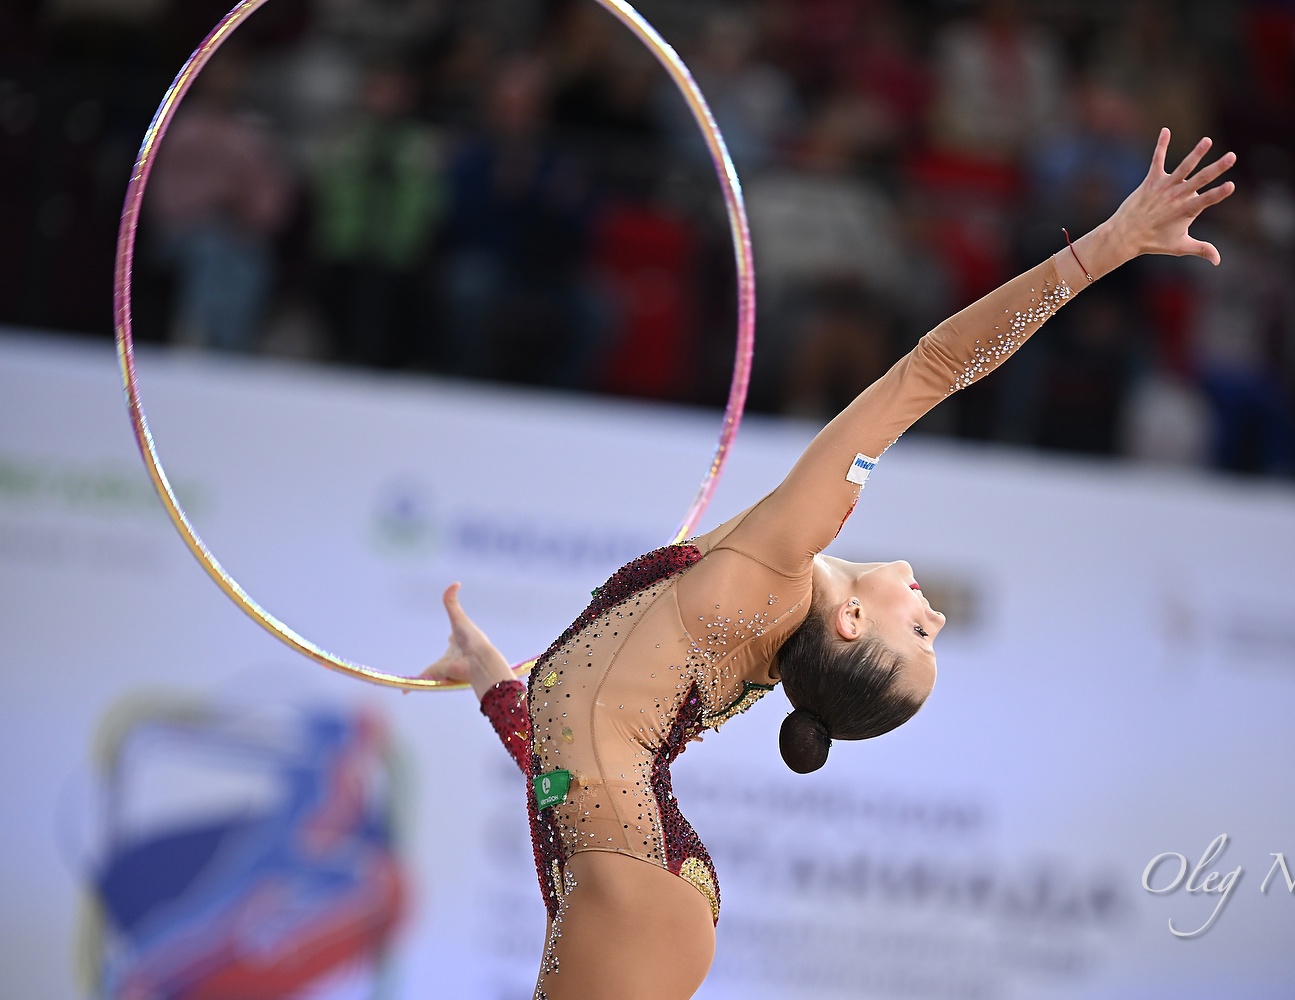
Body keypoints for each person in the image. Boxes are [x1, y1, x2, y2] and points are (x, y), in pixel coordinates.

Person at [419, 128, 1235, 999]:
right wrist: (498, 684)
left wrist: (1110, 248)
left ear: (850, 625)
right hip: (629, 879)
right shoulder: (757, 624)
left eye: (920, 635)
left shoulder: (776, 567)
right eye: (932, 630)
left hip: (628, 879)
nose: (938, 616)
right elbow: (581, 751)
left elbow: (937, 366)